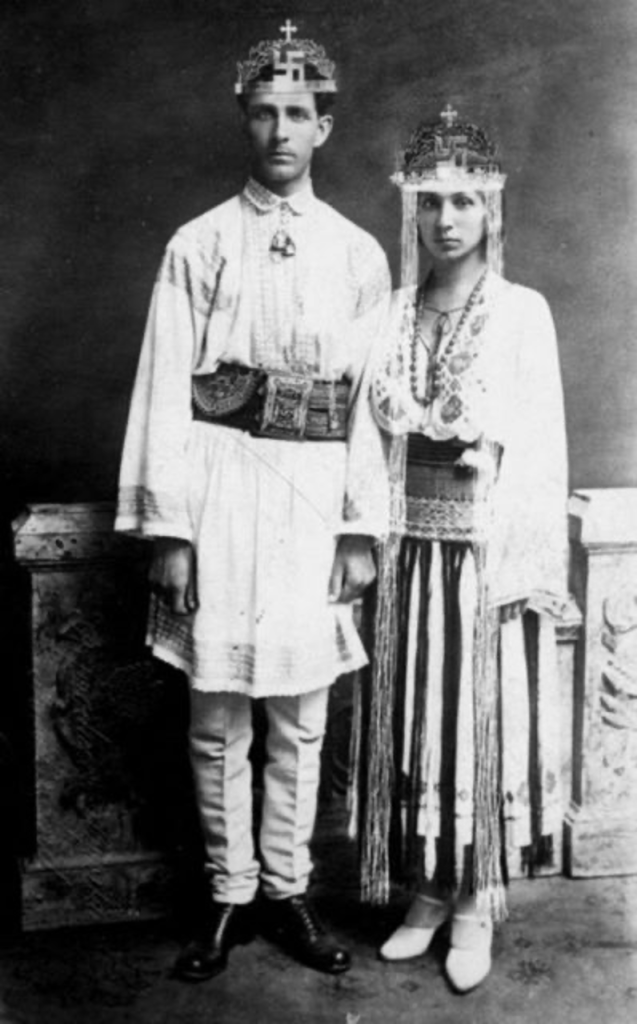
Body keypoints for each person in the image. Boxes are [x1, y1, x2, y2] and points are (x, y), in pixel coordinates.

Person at [115, 20, 390, 982]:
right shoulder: (197, 243)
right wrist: (171, 531)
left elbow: (370, 404)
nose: (280, 130)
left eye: (297, 114)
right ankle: (228, 893)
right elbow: (165, 389)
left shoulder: (357, 254)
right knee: (217, 713)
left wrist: (358, 525)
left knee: (301, 715)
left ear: (324, 127)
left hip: (315, 489)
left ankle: (287, 889)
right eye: (265, 112)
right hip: (220, 483)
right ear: (245, 119)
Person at [353, 106, 568, 993]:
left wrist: (510, 562)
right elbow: (364, 440)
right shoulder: (389, 312)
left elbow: (541, 446)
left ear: (491, 209)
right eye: (431, 201)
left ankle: (476, 897)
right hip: (407, 552)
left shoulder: (520, 312)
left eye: (464, 201)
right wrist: (367, 535)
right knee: (417, 720)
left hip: (480, 555)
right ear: (412, 209)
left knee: (474, 724)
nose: (446, 219)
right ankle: (428, 891)